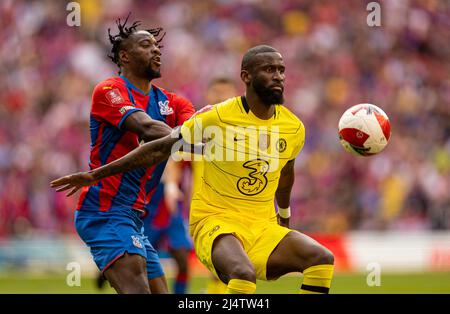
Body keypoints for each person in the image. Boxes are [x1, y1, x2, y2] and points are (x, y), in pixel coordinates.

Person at [51, 45, 335, 294]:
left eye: (281, 70)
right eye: (269, 69)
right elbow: (164, 147)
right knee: (241, 274)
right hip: (216, 222)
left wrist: (283, 218)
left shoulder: (293, 127)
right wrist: (95, 174)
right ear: (246, 77)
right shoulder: (216, 118)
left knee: (322, 259)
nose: (278, 76)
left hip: (261, 225)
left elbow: (286, 176)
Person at [63, 15, 195, 294]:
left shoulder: (172, 102)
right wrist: (189, 136)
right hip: (104, 210)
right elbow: (148, 128)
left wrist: (197, 134)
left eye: (157, 46)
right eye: (146, 45)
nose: (156, 50)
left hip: (135, 215)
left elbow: (194, 132)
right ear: (124, 56)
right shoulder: (109, 91)